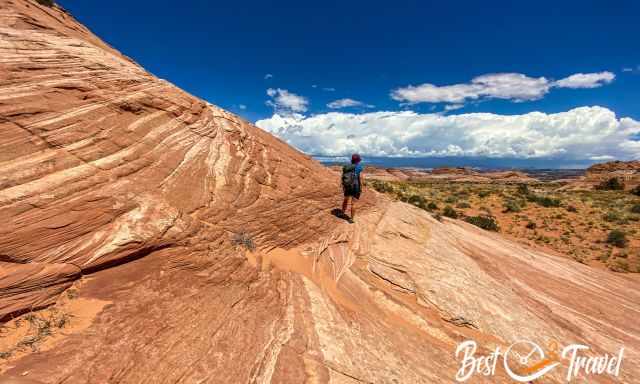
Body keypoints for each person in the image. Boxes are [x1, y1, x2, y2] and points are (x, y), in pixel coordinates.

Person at [341, 153, 365, 223]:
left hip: (347, 186)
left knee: (345, 200)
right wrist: (361, 187)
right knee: (353, 203)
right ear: (358, 160)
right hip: (355, 186)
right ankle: (351, 219)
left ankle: (342, 213)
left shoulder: (347, 166)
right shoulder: (359, 167)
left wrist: (343, 186)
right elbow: (361, 179)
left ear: (352, 159)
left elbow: (343, 177)